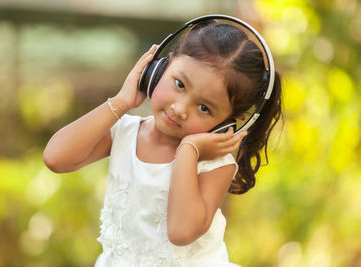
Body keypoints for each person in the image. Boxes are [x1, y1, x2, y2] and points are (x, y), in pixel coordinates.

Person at [43, 18, 282, 266]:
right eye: (179, 84)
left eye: (204, 108)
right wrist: (121, 102)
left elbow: (181, 232)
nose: (180, 109)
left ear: (228, 122)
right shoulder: (125, 132)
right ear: (156, 70)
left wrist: (188, 150)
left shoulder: (214, 163)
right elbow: (56, 158)